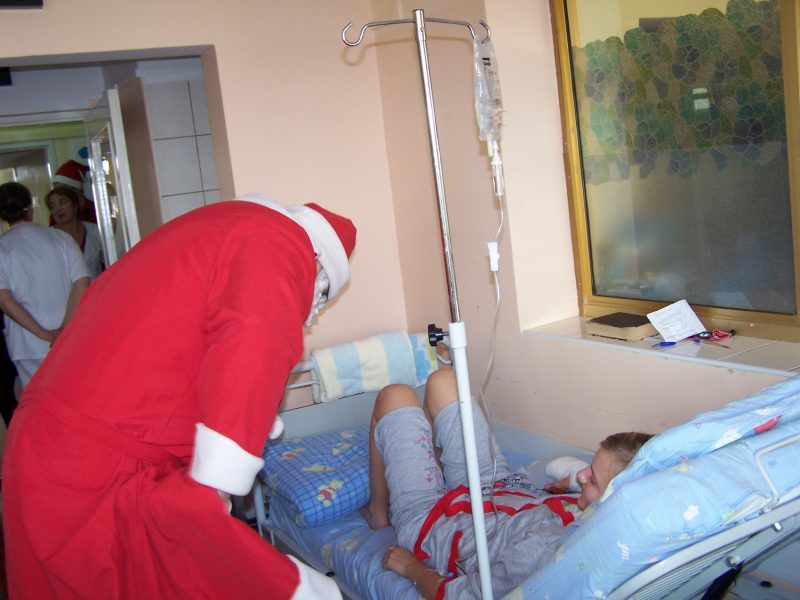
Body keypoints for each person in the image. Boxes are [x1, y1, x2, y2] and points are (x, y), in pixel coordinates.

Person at [2, 194, 357, 600]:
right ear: (320, 269)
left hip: (59, 444)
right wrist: (215, 490)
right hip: (88, 465)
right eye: (319, 299)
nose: (309, 314)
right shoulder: (279, 244)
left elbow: (195, 354)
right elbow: (255, 343)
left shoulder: (226, 226)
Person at [361, 368, 652, 599]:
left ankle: (379, 512)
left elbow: (460, 595)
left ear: (613, 500)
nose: (582, 475)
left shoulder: (543, 553)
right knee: (444, 381)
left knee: (393, 396)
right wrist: (578, 487)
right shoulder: (611, 511)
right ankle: (436, 468)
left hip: (433, 520)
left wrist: (411, 568)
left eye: (593, 480)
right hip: (499, 485)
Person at [0, 182, 91, 390]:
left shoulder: (2, 248)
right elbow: (82, 282)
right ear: (30, 206)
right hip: (72, 337)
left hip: (28, 345)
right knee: (77, 394)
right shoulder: (61, 238)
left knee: (41, 403)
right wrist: (64, 329)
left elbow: (5, 300)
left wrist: (44, 334)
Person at [45, 186, 105, 279]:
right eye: (52, 206)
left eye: (62, 203)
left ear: (75, 206)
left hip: (99, 286)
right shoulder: (48, 238)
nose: (58, 209)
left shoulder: (95, 230)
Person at [51, 149, 97, 224]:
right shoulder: (56, 215)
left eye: (62, 190)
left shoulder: (95, 209)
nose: (58, 195)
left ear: (74, 189)